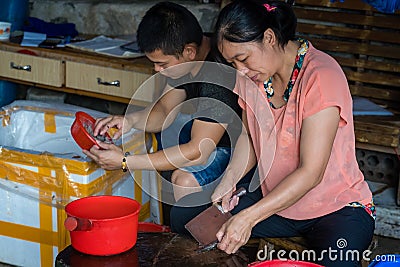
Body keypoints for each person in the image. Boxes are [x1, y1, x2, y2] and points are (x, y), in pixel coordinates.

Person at [170, 1, 375, 266]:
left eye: (243, 59)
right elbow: (250, 138)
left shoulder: (321, 76)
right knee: (182, 217)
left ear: (269, 37)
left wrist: (249, 217)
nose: (240, 70)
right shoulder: (250, 78)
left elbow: (311, 172)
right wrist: (229, 180)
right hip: (274, 200)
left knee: (339, 261)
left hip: (334, 208)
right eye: (232, 62)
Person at [83, 1, 242, 202]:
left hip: (236, 149)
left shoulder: (216, 78)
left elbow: (197, 152)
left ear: (189, 51)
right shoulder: (185, 59)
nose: (157, 70)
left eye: (162, 63)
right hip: (205, 135)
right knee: (163, 140)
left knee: (183, 179)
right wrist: (128, 121)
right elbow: (164, 111)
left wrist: (126, 161)